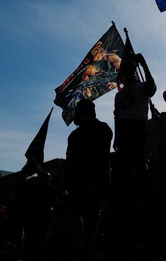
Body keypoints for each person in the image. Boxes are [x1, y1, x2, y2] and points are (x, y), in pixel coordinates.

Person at [64, 99, 113, 246]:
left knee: (92, 214)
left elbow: (100, 155)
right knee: (76, 215)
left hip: (96, 180)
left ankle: (91, 243)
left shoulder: (102, 129)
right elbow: (69, 160)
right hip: (79, 183)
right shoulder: (74, 135)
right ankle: (79, 244)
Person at [112, 52, 156, 205]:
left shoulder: (141, 87)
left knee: (138, 161)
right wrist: (116, 136)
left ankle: (145, 195)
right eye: (125, 70)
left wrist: (144, 64)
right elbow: (117, 116)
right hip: (124, 129)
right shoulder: (119, 95)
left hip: (138, 126)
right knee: (124, 166)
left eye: (131, 70)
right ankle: (127, 197)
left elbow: (152, 87)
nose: (127, 73)